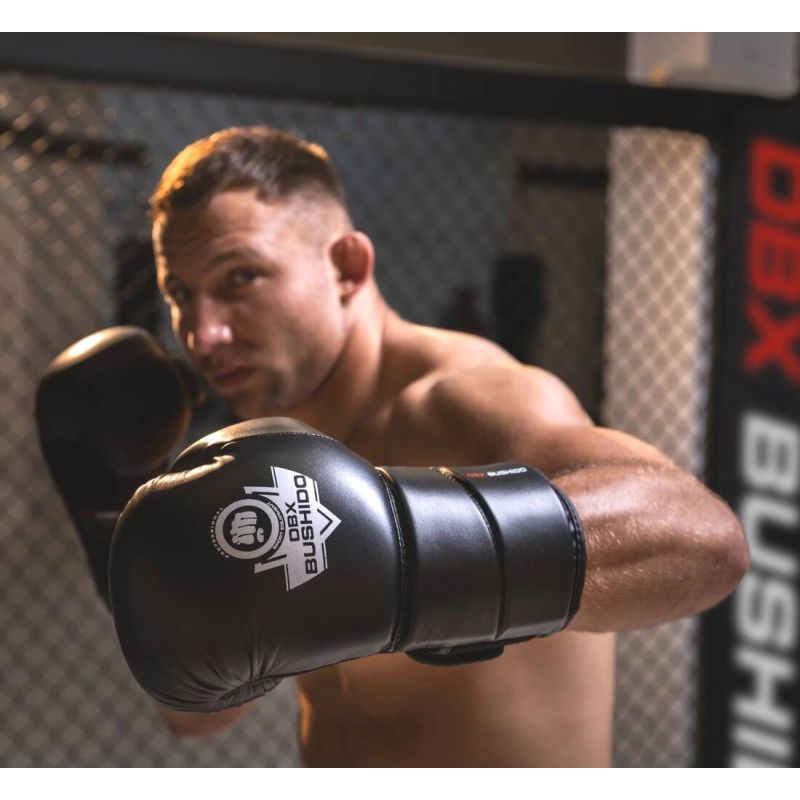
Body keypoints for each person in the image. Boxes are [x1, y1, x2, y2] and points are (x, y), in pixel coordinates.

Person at [45, 127, 749, 767]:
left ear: (347, 267)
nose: (204, 335)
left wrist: (422, 548)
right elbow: (199, 711)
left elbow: (707, 540)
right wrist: (107, 521)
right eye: (180, 293)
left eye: (241, 279)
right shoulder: (275, 465)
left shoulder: (464, 400)